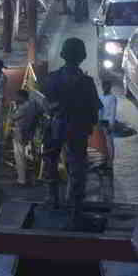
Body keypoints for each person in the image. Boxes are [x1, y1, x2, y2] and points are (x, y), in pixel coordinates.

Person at [42, 38, 100, 215]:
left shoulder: (52, 78)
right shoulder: (87, 82)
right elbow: (94, 112)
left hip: (56, 126)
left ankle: (52, 197)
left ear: (63, 55)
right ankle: (75, 203)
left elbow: (46, 104)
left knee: (50, 161)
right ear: (82, 57)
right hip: (77, 129)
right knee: (77, 166)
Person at [11, 89, 41, 186]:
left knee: (20, 158)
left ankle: (22, 180)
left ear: (22, 97)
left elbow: (13, 117)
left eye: (17, 96)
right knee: (29, 158)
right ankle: (31, 179)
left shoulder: (23, 107)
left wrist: (15, 107)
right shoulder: (32, 105)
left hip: (20, 134)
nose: (16, 98)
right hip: (29, 134)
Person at [99, 79, 117, 166]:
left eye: (107, 86)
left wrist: (111, 124)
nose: (105, 88)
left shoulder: (112, 98)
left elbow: (113, 112)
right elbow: (99, 110)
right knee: (104, 142)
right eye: (104, 86)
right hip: (101, 121)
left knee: (109, 142)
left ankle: (110, 160)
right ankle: (106, 159)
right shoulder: (100, 97)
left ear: (110, 87)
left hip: (107, 122)